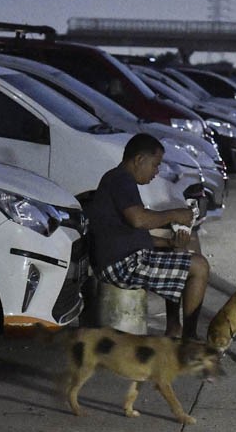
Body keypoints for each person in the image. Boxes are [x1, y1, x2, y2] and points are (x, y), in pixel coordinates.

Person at [88, 133, 209, 339]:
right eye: (155, 164)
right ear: (139, 160)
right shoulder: (120, 180)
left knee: (179, 252)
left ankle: (174, 328)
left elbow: (130, 233)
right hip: (119, 265)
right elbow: (139, 220)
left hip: (122, 256)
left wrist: (169, 242)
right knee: (199, 266)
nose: (156, 171)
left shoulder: (118, 179)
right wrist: (176, 214)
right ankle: (190, 338)